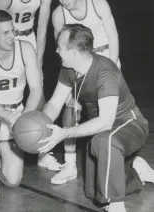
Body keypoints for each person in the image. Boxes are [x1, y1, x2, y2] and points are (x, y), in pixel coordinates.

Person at [38, 24, 154, 212]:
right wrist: (40, 125)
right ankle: (136, 174)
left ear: (74, 53)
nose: (56, 50)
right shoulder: (69, 69)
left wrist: (65, 133)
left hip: (130, 123)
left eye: (60, 46)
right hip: (104, 129)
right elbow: (54, 103)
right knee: (95, 194)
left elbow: (106, 122)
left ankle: (117, 206)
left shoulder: (105, 71)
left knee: (104, 140)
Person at [49, 0, 121, 184]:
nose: (64, 0)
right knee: (71, 109)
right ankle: (70, 165)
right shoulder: (58, 15)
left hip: (106, 58)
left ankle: (127, 163)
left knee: (111, 119)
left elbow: (113, 35)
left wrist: (113, 67)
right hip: (79, 64)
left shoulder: (98, 3)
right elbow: (62, 50)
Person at [0, 10, 42, 212]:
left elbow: (36, 88)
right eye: (5, 33)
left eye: (13, 30)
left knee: (12, 181)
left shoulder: (26, 48)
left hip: (18, 111)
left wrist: (26, 115)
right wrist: (8, 116)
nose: (12, 36)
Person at [0, 0, 59, 170]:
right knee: (3, 91)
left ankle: (42, 151)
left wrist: (38, 62)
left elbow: (42, 29)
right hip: (8, 40)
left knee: (37, 89)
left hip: (29, 37)